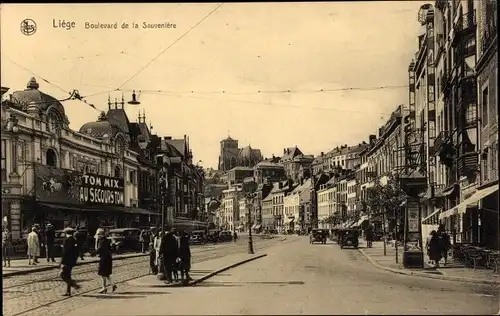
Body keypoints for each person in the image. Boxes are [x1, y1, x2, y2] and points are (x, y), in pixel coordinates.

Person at [60, 227, 81, 296]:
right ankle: (68, 291)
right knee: (68, 275)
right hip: (72, 261)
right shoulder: (75, 240)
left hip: (66, 261)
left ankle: (74, 285)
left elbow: (65, 252)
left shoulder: (66, 240)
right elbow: (77, 252)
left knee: (62, 275)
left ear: (66, 233)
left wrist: (62, 262)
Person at [95, 228, 117, 294]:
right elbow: (110, 249)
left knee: (103, 274)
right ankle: (113, 285)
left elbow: (98, 250)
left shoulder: (101, 241)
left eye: (98, 234)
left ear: (101, 235)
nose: (97, 236)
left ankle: (104, 287)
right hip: (108, 258)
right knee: (106, 274)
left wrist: (96, 242)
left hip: (104, 259)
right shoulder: (107, 240)